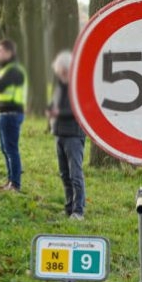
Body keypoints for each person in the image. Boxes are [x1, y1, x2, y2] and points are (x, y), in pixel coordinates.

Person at [47, 50, 85, 220]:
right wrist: (50, 109)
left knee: (75, 174)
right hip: (60, 134)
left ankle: (78, 210)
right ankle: (69, 207)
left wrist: (57, 113)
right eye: (59, 71)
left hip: (74, 135)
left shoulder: (78, 87)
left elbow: (77, 111)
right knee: (64, 174)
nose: (61, 74)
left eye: (63, 71)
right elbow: (55, 104)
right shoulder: (60, 86)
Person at [0, 39, 27, 192]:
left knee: (11, 150)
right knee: (5, 149)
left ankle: (15, 184)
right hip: (5, 115)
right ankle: (10, 181)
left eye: (0, 51)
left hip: (11, 115)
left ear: (9, 53)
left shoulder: (14, 70)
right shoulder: (6, 69)